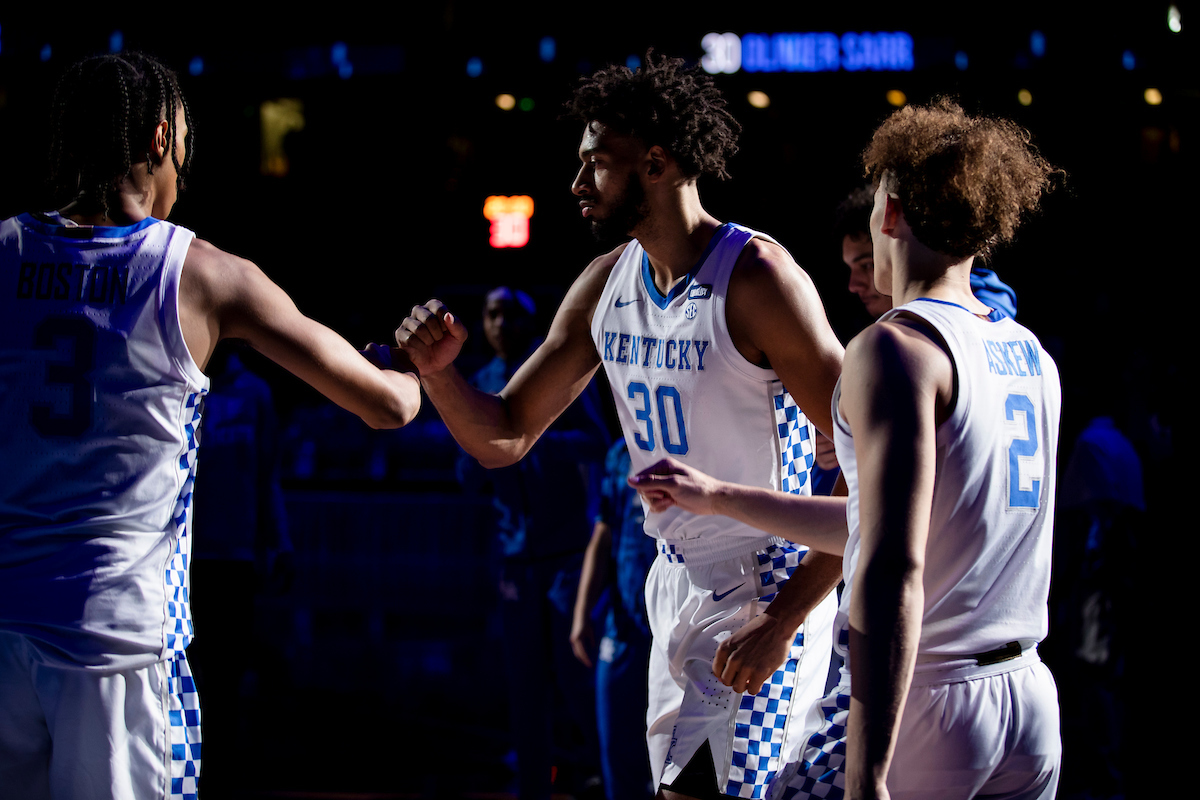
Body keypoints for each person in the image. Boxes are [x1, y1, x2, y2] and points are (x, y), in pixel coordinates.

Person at [396, 53, 845, 800]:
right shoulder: (607, 281)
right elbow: (504, 435)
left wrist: (789, 615)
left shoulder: (758, 278)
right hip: (670, 580)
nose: (576, 184)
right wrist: (440, 375)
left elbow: (879, 480)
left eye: (596, 164)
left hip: (766, 578)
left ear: (659, 164)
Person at [0, 52, 420, 800]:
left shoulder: (5, 249)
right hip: (118, 642)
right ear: (161, 138)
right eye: (186, 142)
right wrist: (422, 371)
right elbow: (385, 406)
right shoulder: (201, 272)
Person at [632, 99, 1062, 800]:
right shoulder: (1029, 353)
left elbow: (891, 565)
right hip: (1028, 700)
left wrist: (867, 766)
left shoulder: (897, 348)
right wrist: (718, 496)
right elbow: (878, 525)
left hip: (931, 697)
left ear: (888, 212)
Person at [460, 286, 607, 800]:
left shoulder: (556, 372)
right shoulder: (477, 382)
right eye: (491, 313)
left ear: (528, 322)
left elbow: (596, 441)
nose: (499, 323)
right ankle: (532, 786)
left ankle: (605, 776)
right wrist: (476, 456)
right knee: (524, 684)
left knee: (578, 677)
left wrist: (530, 441)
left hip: (567, 554)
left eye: (509, 314)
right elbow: (468, 473)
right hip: (516, 560)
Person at [571, 438, 659, 800]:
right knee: (615, 743)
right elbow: (602, 534)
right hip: (623, 623)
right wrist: (581, 613)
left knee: (670, 750)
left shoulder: (694, 441)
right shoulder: (620, 454)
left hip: (674, 625)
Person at [834, 185, 1020, 322]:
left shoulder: (985, 301)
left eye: (868, 265)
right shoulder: (879, 324)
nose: (853, 285)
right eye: (850, 268)